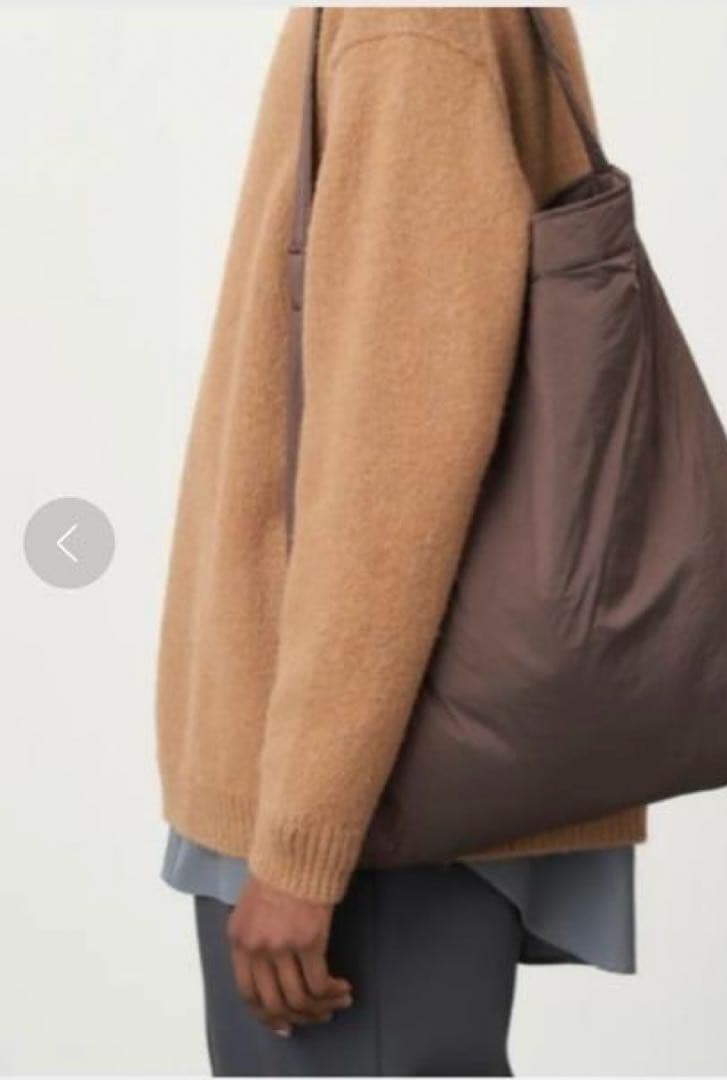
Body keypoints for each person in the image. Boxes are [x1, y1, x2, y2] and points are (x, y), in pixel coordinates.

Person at [156, 7, 647, 1076]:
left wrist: (302, 846)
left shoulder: (406, 24)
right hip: (373, 770)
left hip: (366, 799)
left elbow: (390, 462)